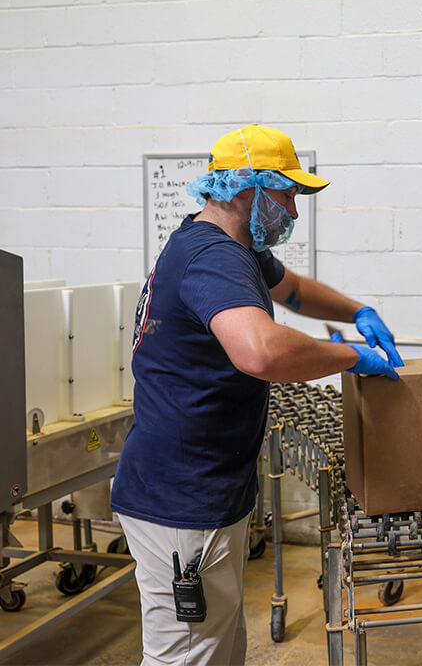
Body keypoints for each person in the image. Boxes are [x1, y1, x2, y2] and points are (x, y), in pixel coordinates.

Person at [111, 123, 403, 665]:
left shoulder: (230, 246)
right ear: (247, 188)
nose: (293, 210)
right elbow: (261, 353)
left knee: (216, 647)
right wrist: (350, 356)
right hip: (182, 502)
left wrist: (357, 312)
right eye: (288, 193)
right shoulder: (213, 258)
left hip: (200, 491)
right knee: (187, 655)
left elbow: (291, 289)